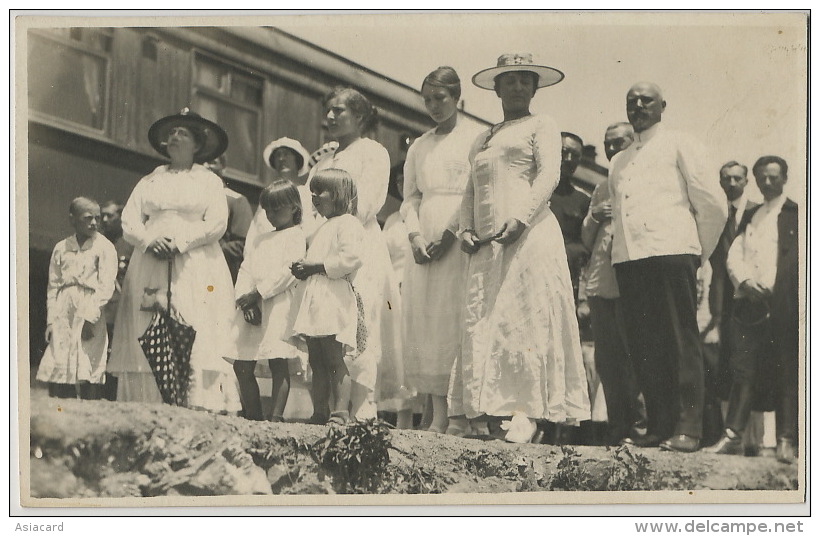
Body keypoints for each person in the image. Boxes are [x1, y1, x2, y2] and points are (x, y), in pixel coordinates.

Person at [450, 53, 590, 443]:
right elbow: (470, 189)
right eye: (509, 81)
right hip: (487, 244)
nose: (517, 87)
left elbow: (549, 173)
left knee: (526, 318)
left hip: (527, 236)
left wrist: (522, 218)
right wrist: (465, 228)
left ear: (534, 87)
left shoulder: (542, 124)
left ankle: (527, 412)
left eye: (525, 81)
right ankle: (492, 412)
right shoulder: (483, 136)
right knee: (489, 320)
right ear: (496, 88)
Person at [609, 82, 727, 452]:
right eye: (632, 101)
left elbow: (712, 204)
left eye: (647, 100)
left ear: (663, 105)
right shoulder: (619, 160)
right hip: (631, 260)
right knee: (644, 345)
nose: (639, 105)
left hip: (672, 252)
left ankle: (689, 427)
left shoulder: (681, 142)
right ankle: (659, 426)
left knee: (679, 341)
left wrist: (695, 254)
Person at [108, 108, 241, 414]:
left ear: (197, 144)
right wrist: (148, 240)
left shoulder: (208, 180)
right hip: (150, 261)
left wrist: (182, 242)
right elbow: (130, 220)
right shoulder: (150, 180)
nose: (175, 137)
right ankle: (149, 401)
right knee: (148, 316)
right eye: (171, 133)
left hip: (195, 262)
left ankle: (193, 400)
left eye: (183, 132)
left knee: (193, 318)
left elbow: (217, 223)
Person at [308, 87, 405, 420]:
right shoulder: (324, 157)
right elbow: (310, 204)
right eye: (329, 110)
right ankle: (330, 407)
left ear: (360, 117)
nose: (331, 117)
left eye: (340, 111)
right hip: (323, 248)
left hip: (358, 244)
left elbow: (367, 203)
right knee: (326, 322)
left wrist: (335, 227)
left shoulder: (372, 152)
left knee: (360, 320)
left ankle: (363, 405)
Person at [400, 66, 484, 435]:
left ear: (457, 97)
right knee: (426, 323)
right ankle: (435, 413)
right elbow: (410, 199)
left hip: (459, 234)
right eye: (428, 100)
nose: (434, 106)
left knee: (453, 321)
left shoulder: (477, 138)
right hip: (424, 242)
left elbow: (476, 191)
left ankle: (459, 416)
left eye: (441, 99)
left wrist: (450, 233)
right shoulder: (419, 146)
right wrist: (416, 237)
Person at [706, 156, 799, 464]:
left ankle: (787, 439)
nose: (768, 183)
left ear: (784, 178)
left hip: (785, 305)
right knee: (743, 370)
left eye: (774, 177)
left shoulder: (797, 214)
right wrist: (745, 282)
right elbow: (735, 255)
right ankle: (732, 436)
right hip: (750, 306)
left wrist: (779, 289)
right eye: (762, 178)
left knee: (787, 371)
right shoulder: (753, 215)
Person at [579, 121, 646, 445]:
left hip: (633, 284)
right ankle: (618, 426)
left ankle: (640, 427)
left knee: (636, 358)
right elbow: (586, 241)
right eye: (607, 143)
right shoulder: (602, 186)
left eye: (617, 143)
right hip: (601, 283)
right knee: (608, 361)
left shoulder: (646, 178)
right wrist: (595, 216)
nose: (610, 149)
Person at [290, 168, 365, 425]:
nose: (314, 198)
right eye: (312, 193)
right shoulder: (322, 228)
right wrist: (304, 269)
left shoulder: (349, 224)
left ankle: (341, 411)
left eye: (320, 192)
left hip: (333, 298)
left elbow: (350, 258)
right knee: (316, 358)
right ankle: (319, 411)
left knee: (334, 356)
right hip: (316, 299)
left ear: (339, 194)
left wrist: (316, 267)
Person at [227, 180, 307, 422]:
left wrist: (258, 293)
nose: (271, 215)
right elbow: (246, 269)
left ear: (293, 208)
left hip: (277, 305)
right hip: (253, 304)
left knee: (277, 359)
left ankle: (276, 416)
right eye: (267, 210)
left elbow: (287, 272)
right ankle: (253, 414)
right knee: (242, 363)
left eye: (277, 209)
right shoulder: (260, 239)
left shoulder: (296, 236)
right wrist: (246, 300)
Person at [704, 161, 767, 451]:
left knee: (752, 365)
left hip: (750, 297)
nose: (732, 183)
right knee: (722, 364)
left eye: (737, 178)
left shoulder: (757, 212)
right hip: (719, 295)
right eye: (726, 178)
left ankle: (753, 439)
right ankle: (723, 433)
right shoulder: (715, 213)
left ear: (746, 181)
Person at [37, 197, 118, 400]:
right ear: (73, 219)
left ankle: (90, 414)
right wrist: (51, 320)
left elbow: (106, 286)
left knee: (88, 364)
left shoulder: (104, 247)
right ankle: (63, 414)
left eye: (97, 218)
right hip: (64, 311)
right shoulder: (61, 248)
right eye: (88, 218)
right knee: (61, 364)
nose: (94, 223)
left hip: (90, 310)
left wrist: (91, 318)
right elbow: (53, 286)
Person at [247, 138, 315, 249]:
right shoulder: (269, 195)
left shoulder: (305, 193)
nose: (281, 159)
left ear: (297, 159)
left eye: (286, 154)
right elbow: (254, 231)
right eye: (277, 155)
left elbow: (309, 229)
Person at [99, 199, 134, 401]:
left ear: (120, 217)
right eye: (102, 215)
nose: (104, 220)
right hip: (102, 308)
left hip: (120, 309)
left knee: (115, 352)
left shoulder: (128, 245)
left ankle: (112, 397)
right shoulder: (98, 242)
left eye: (109, 215)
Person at [550, 131, 591, 302]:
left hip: (565, 280)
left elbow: (586, 244)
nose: (567, 159)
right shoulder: (530, 190)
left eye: (574, 155)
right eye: (563, 152)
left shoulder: (583, 200)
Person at [205, 155, 254, 284]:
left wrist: (210, 252)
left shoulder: (236, 199)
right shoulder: (191, 200)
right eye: (201, 163)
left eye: (212, 162)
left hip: (219, 272)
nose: (205, 166)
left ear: (223, 167)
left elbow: (242, 244)